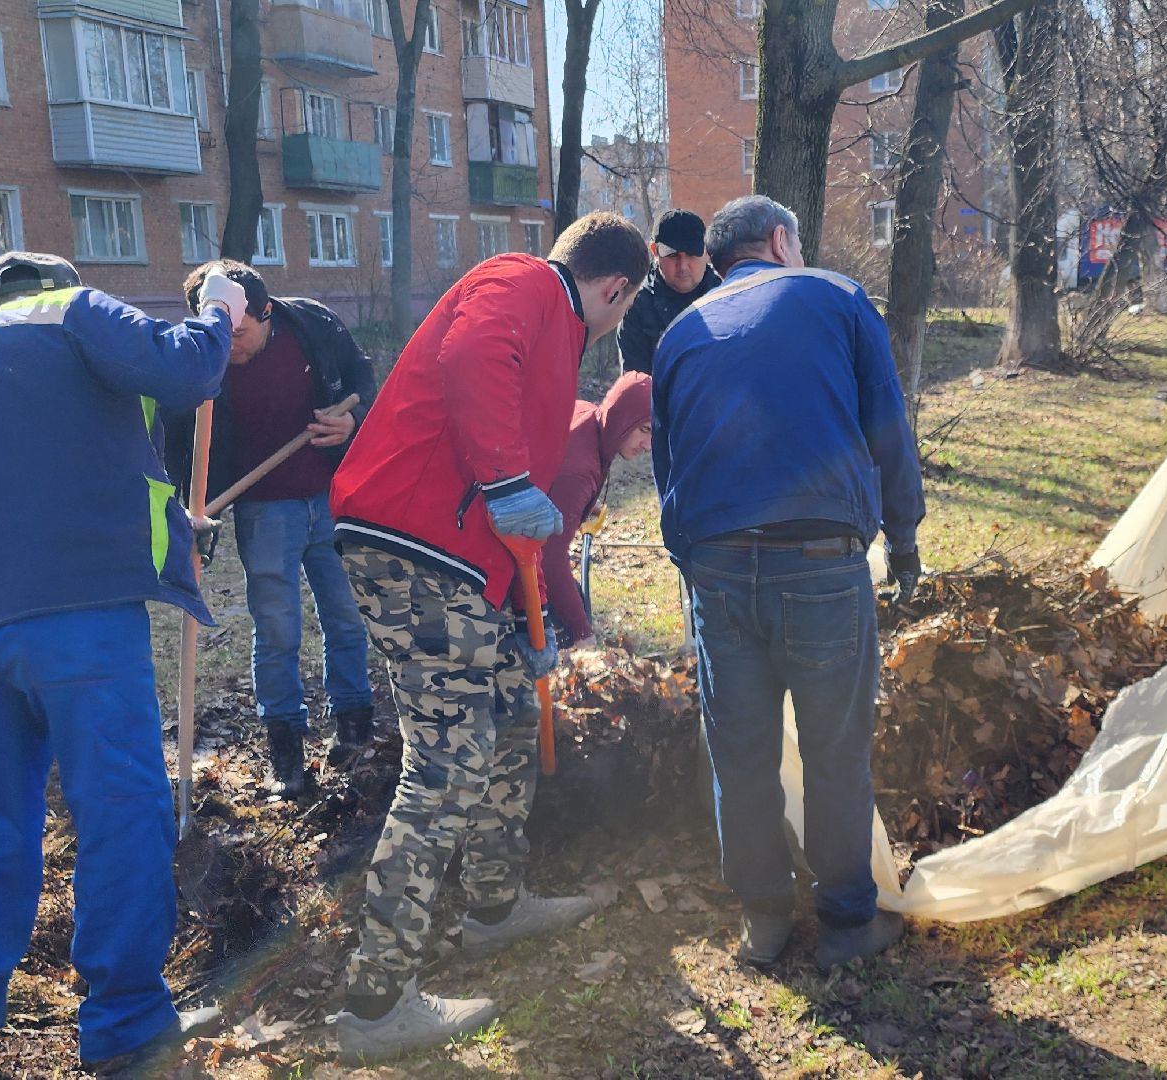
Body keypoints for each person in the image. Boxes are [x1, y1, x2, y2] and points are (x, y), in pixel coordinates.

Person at [0, 252, 243, 1076]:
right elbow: (186, 373)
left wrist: (166, 534)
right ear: (52, 285)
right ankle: (126, 1026)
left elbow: (41, 481)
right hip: (82, 624)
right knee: (119, 809)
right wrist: (222, 311)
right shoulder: (74, 311)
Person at [325, 211, 649, 1064]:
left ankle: (494, 907)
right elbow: (474, 363)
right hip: (414, 545)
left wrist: (521, 613)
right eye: (620, 312)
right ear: (615, 288)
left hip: (456, 564)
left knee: (505, 717)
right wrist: (508, 481)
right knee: (445, 765)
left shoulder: (546, 326)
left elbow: (520, 521)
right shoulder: (525, 282)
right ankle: (375, 1001)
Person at [653, 195, 926, 971]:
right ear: (781, 241)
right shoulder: (834, 295)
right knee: (835, 746)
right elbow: (886, 426)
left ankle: (763, 918)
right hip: (818, 561)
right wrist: (902, 536)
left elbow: (667, 470)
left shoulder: (680, 333)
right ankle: (845, 922)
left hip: (716, 567)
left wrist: (698, 565)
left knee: (738, 750)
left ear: (717, 259)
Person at [169, 260, 375, 798]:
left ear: (265, 313)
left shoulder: (312, 326)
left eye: (237, 333)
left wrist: (353, 420)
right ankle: (284, 739)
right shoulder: (197, 359)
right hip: (263, 510)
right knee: (277, 629)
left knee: (347, 616)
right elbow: (177, 445)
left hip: (331, 498)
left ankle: (355, 722)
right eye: (218, 331)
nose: (227, 343)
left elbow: (362, 379)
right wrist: (188, 511)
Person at [543, 370, 654, 649]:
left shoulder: (589, 415)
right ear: (623, 418)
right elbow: (549, 560)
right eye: (644, 430)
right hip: (505, 561)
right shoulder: (581, 470)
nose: (648, 445)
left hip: (523, 535)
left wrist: (580, 507)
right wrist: (581, 633)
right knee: (567, 628)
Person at [616, 209, 722, 374]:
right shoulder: (636, 308)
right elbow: (638, 387)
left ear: (707, 251)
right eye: (673, 256)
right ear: (654, 252)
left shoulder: (727, 298)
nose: (683, 266)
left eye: (691, 254)